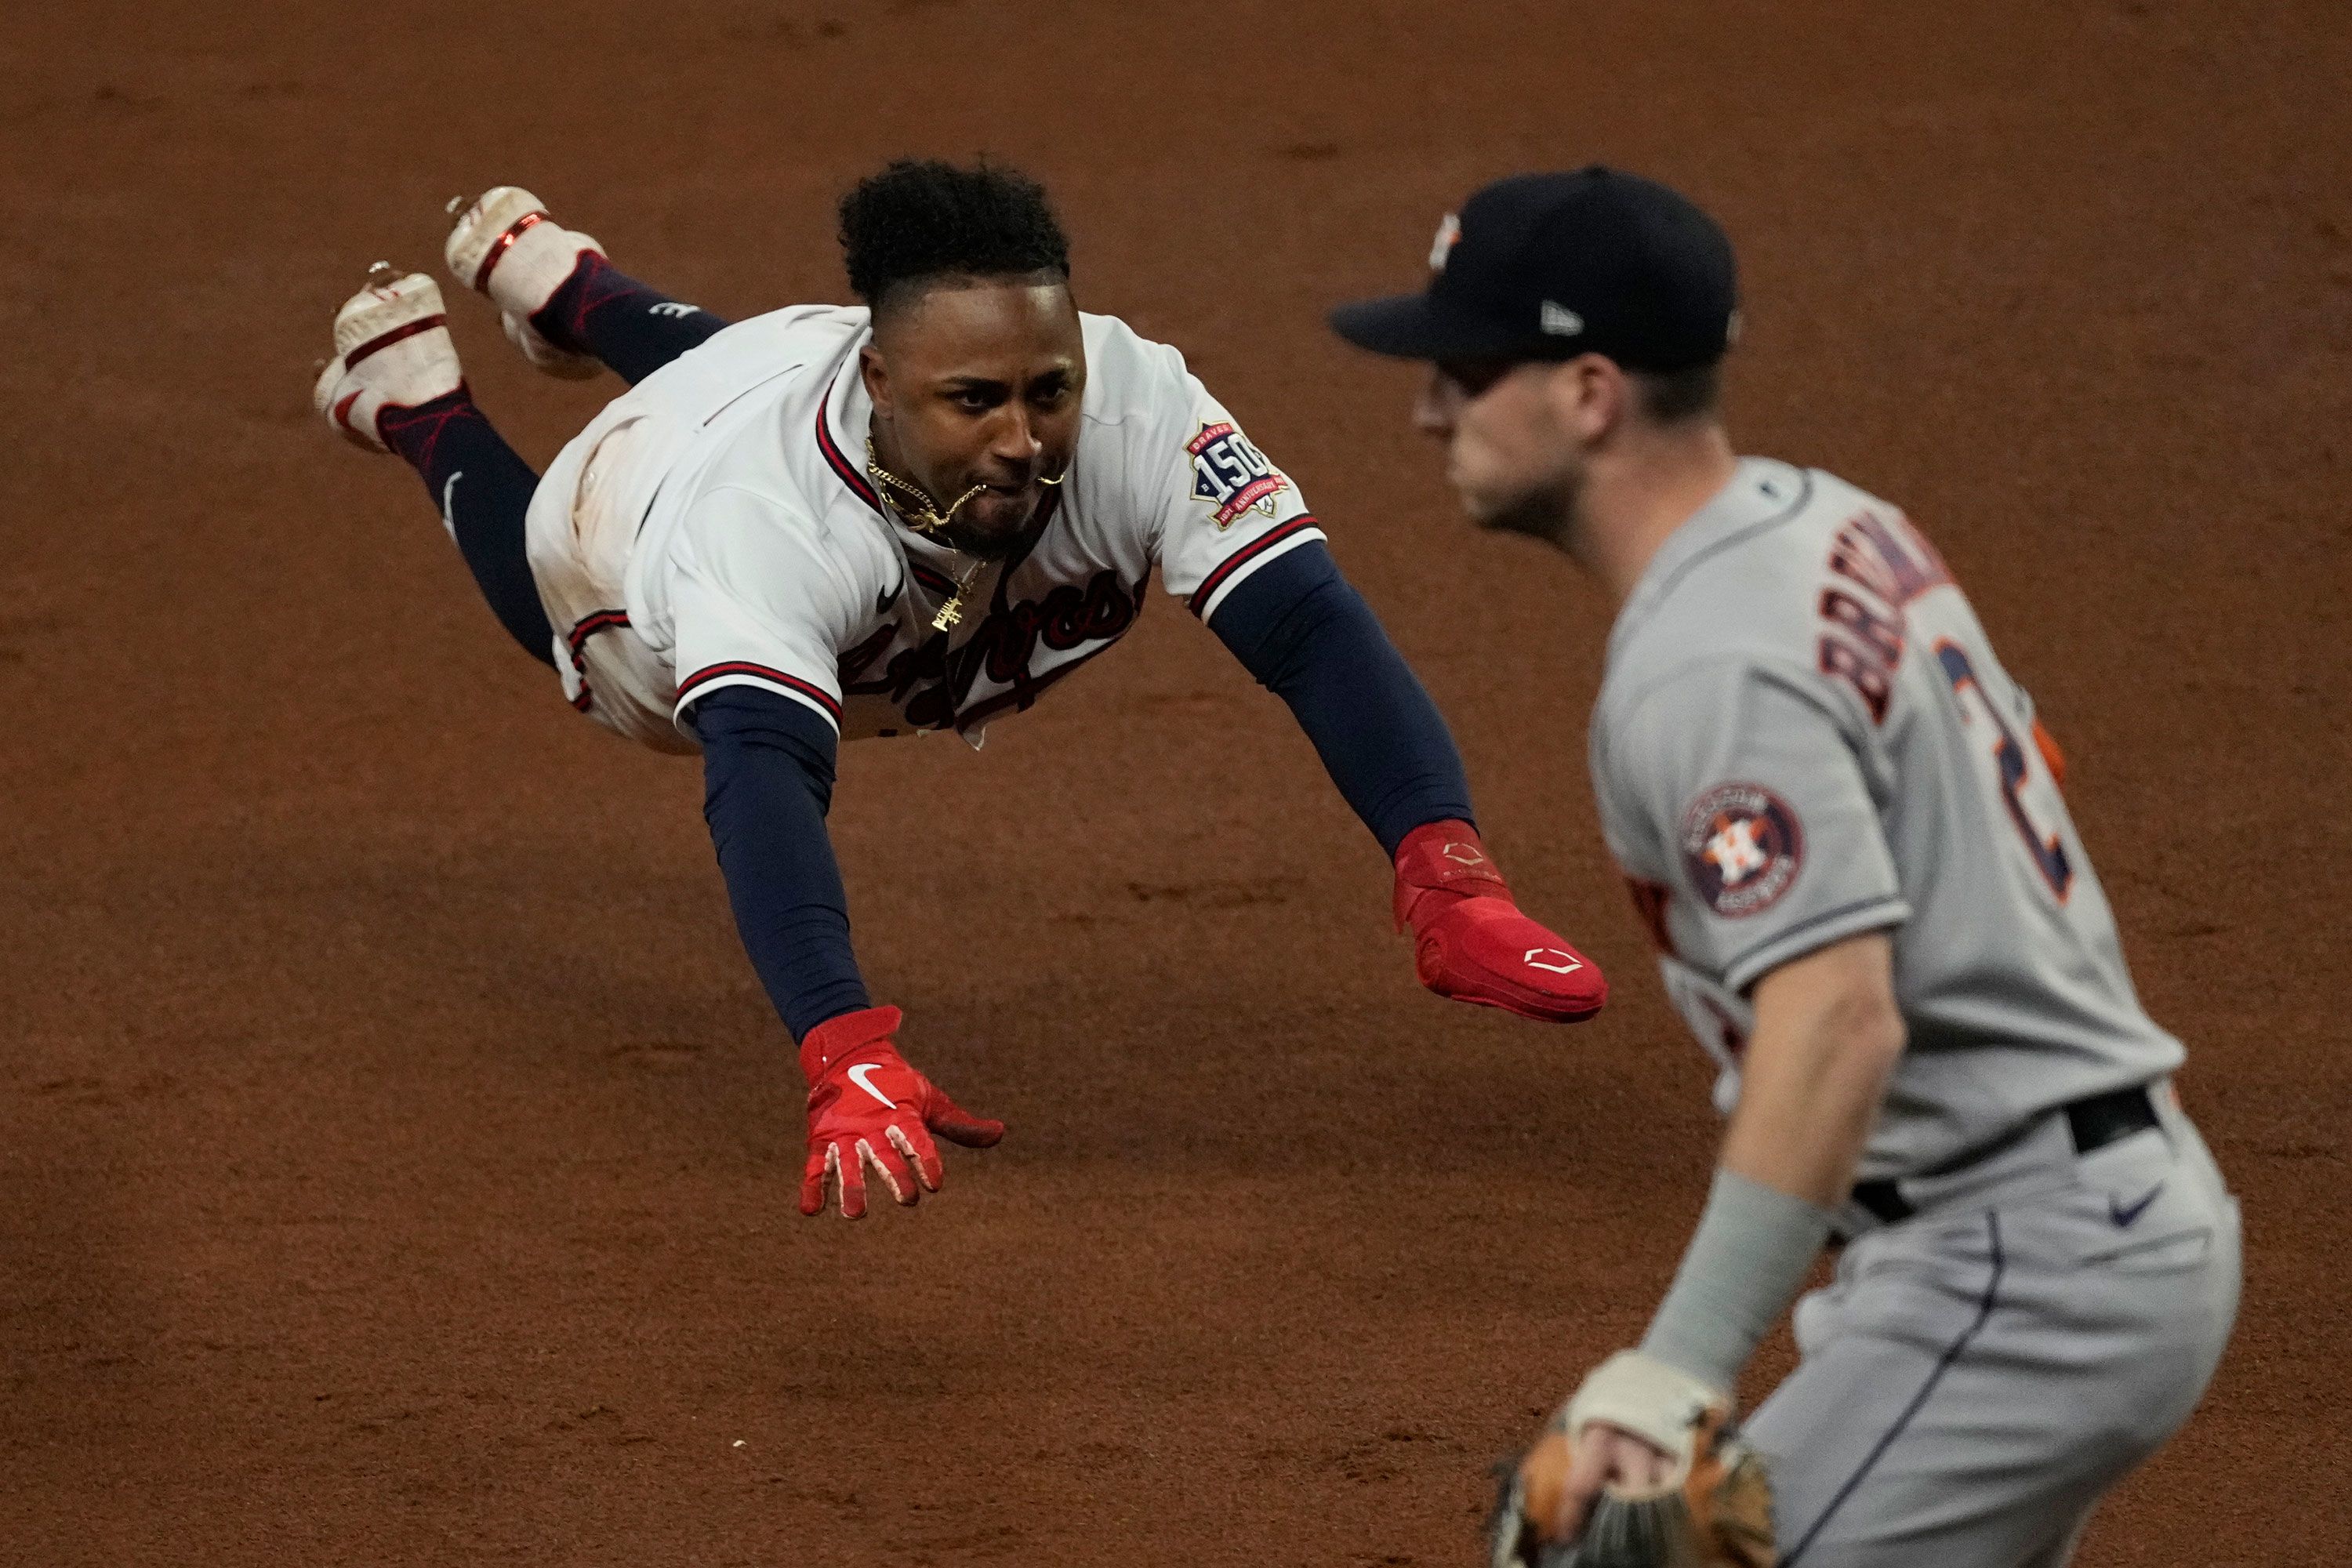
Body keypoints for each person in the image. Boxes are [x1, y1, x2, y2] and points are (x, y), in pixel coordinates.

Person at [310, 160, 1608, 1222]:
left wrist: (1446, 869)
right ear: (880, 384)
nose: (1026, 437)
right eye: (979, 400)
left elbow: (1309, 624)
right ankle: (419, 409)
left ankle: (574, 290)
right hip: (633, 532)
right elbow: (763, 782)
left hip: (785, 369)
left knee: (769, 357)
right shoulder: (753, 534)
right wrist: (840, 1044)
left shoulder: (1123, 396)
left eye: (1050, 392)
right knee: (564, 616)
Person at [1330, 168, 2240, 1566]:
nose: (1429, 407)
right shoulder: (1830, 522)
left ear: (1588, 392)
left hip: (2024, 1272)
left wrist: (1677, 1374)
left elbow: (1839, 1016)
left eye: (1466, 367)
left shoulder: (1713, 658)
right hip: (2057, 1228)